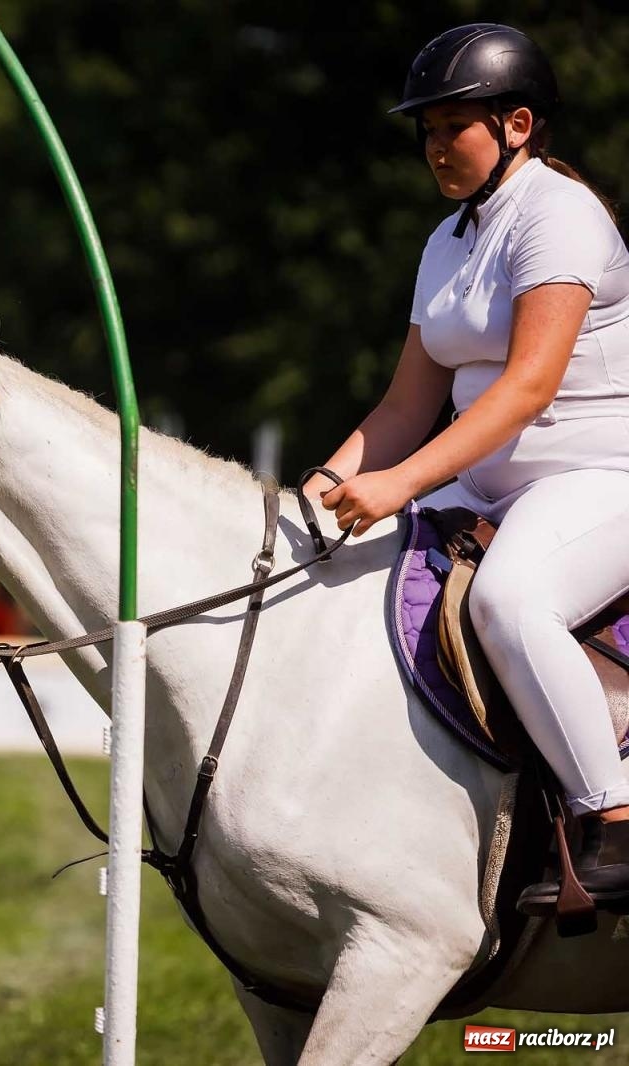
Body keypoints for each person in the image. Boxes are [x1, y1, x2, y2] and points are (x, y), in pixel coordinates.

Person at [307, 24, 629, 912]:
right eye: (427, 130)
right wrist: (322, 488)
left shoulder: (561, 215)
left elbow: (527, 389)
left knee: (509, 602)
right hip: (490, 485)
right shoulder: (447, 240)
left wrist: (401, 484)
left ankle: (613, 818)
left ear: (518, 125)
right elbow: (405, 406)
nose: (435, 146)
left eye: (454, 126)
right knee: (328, 572)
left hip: (600, 480)